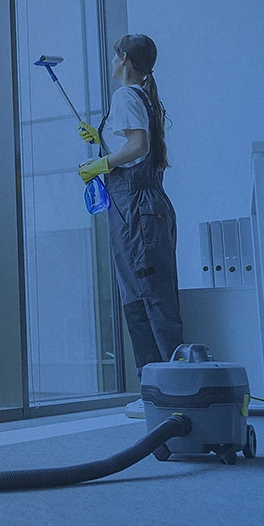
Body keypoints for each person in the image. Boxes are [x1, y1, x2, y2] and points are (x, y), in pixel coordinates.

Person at [76, 34, 182, 419]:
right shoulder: (141, 97)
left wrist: (102, 164)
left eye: (113, 55)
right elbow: (134, 145)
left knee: (149, 300)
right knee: (141, 298)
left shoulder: (125, 96)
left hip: (137, 209)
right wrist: (103, 141)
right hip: (138, 208)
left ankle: (168, 392)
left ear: (123, 58)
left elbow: (138, 147)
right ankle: (157, 389)